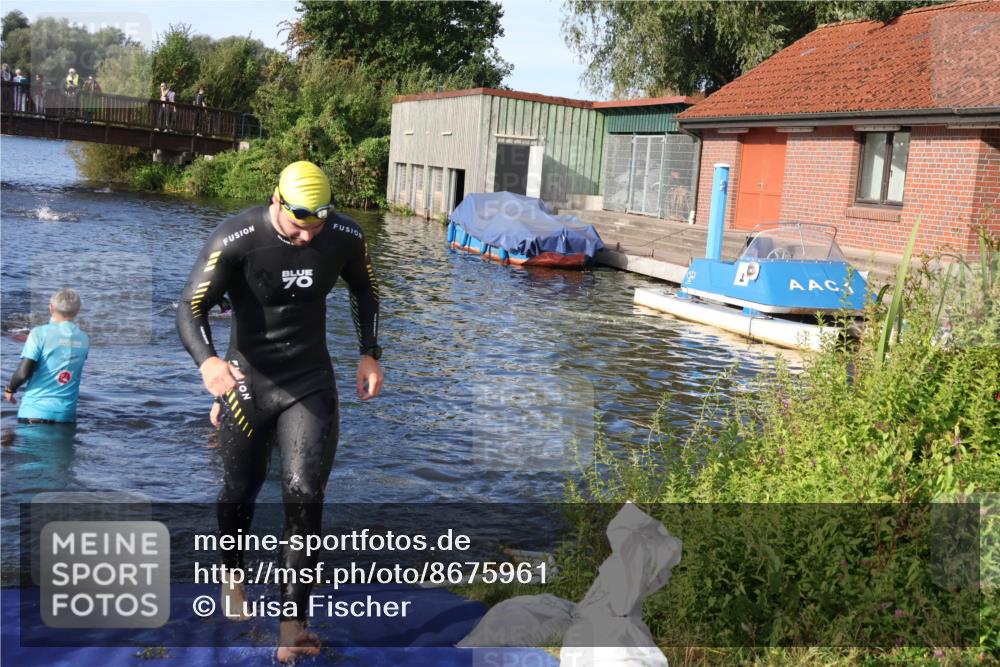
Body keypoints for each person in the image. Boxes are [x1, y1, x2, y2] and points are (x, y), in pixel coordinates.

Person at [176, 161, 383, 662]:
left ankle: (293, 626)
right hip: (247, 379)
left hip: (309, 380)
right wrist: (208, 363)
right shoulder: (236, 237)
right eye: (297, 225)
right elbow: (189, 307)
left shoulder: (345, 236)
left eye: (316, 226)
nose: (307, 237)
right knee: (239, 490)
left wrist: (370, 353)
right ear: (277, 202)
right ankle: (233, 577)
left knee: (305, 494)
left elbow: (365, 288)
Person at [4, 289, 90, 424]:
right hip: (66, 416)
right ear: (77, 311)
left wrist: (10, 390)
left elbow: (23, 373)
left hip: (34, 413)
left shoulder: (38, 333)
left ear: (51, 308)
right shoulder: (84, 338)